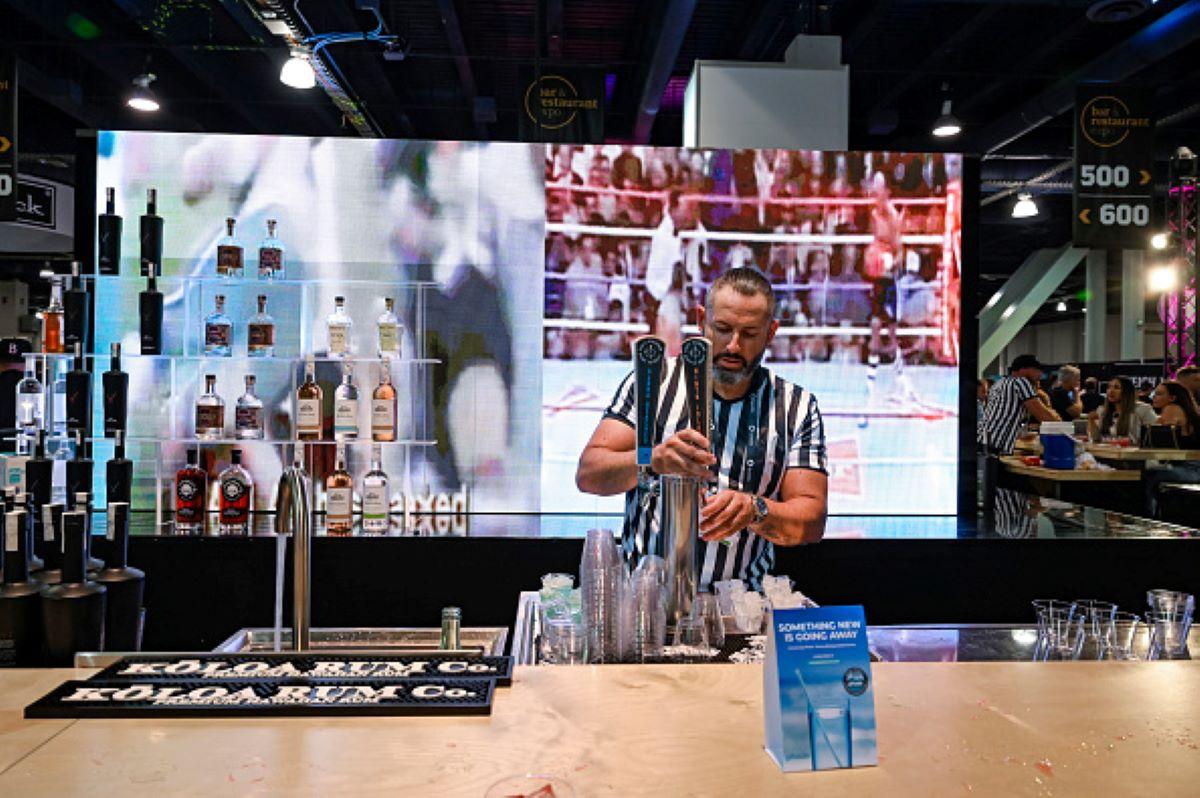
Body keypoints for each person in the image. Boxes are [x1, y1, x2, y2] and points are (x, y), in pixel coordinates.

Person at [576, 268, 828, 589]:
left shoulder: (796, 406)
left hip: (739, 608)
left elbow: (811, 519)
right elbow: (589, 473)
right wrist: (652, 458)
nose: (734, 346)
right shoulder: (653, 381)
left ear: (771, 333)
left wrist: (756, 509)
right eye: (723, 329)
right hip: (643, 601)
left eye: (750, 334)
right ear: (701, 320)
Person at [978, 355, 1060, 456]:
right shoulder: (1021, 382)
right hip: (995, 447)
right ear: (1023, 369)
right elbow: (1045, 417)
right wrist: (1061, 424)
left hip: (982, 441)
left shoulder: (999, 383)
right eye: (1036, 370)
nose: (1040, 375)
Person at [1088, 377, 1158, 444]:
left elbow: (1154, 436)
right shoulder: (1102, 410)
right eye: (1109, 387)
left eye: (1116, 388)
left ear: (1127, 391)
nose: (1111, 391)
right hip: (1108, 452)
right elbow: (1096, 439)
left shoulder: (1143, 409)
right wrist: (1091, 422)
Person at [1150, 381, 1200, 448]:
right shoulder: (1182, 409)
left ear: (1172, 398)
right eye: (1154, 393)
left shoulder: (1171, 408)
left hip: (1180, 455)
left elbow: (1163, 438)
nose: (1154, 397)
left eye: (1159, 394)